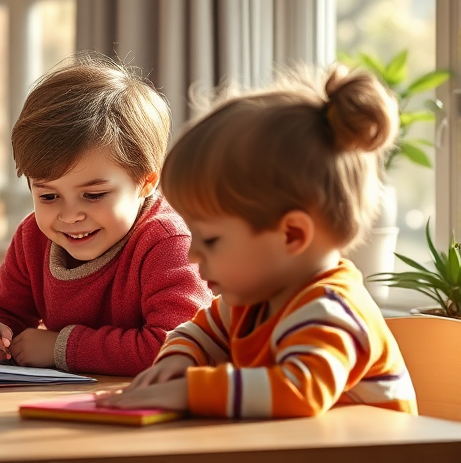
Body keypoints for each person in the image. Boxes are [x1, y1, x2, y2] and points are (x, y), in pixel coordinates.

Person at [95, 65, 418, 417]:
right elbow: (197, 333)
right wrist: (175, 363)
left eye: (212, 239)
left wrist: (189, 391)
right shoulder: (251, 299)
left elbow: (297, 391)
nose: (192, 253)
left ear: (291, 235)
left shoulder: (330, 310)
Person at [0, 53, 212, 376]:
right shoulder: (33, 237)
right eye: (48, 196)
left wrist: (61, 347)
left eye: (93, 195)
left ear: (146, 182)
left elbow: (180, 347)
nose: (70, 215)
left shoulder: (167, 242)